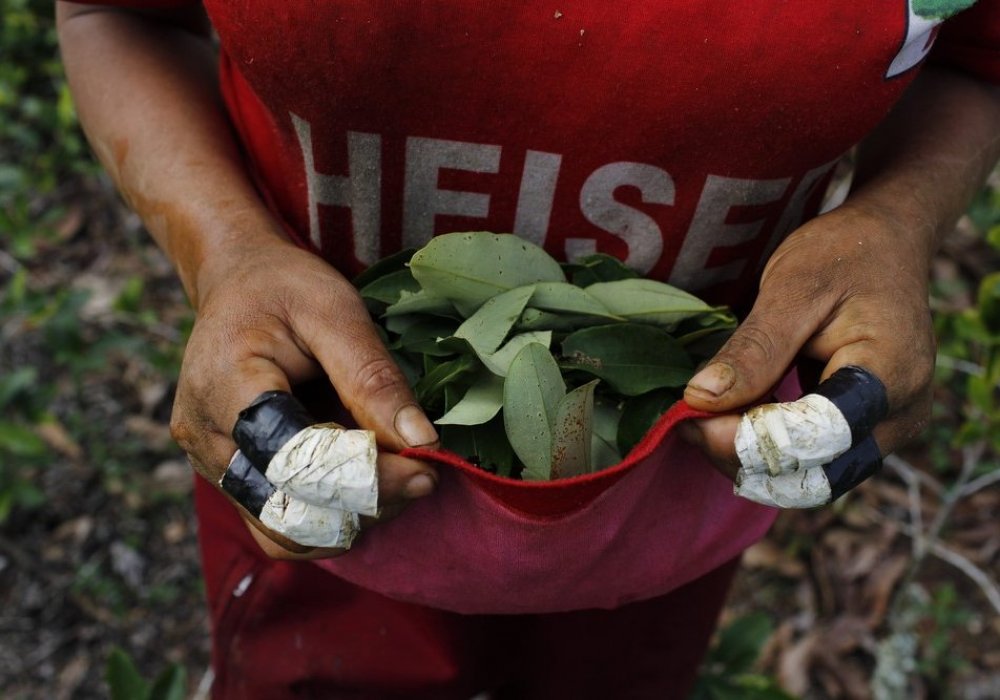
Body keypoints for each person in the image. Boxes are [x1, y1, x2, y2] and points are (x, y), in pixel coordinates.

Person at [56, 1, 1000, 697]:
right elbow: (117, 12)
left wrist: (896, 221)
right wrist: (226, 253)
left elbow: (975, 55)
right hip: (313, 477)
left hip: (665, 512)